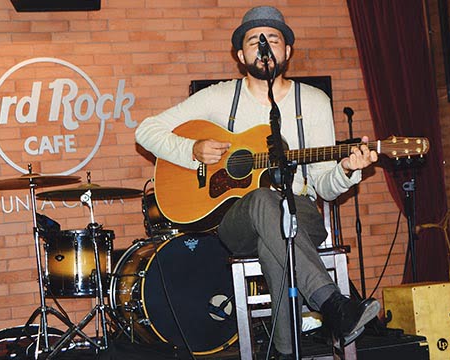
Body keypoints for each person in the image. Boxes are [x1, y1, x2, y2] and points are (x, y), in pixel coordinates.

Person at [135, 5, 380, 358]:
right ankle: (333, 305)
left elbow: (324, 185)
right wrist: (192, 148)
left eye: (273, 39)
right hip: (239, 222)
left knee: (277, 235)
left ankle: (287, 349)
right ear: (240, 54)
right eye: (254, 41)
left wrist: (345, 171)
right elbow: (147, 130)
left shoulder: (311, 102)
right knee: (265, 201)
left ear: (287, 51)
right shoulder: (220, 97)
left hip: (301, 213)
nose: (264, 46)